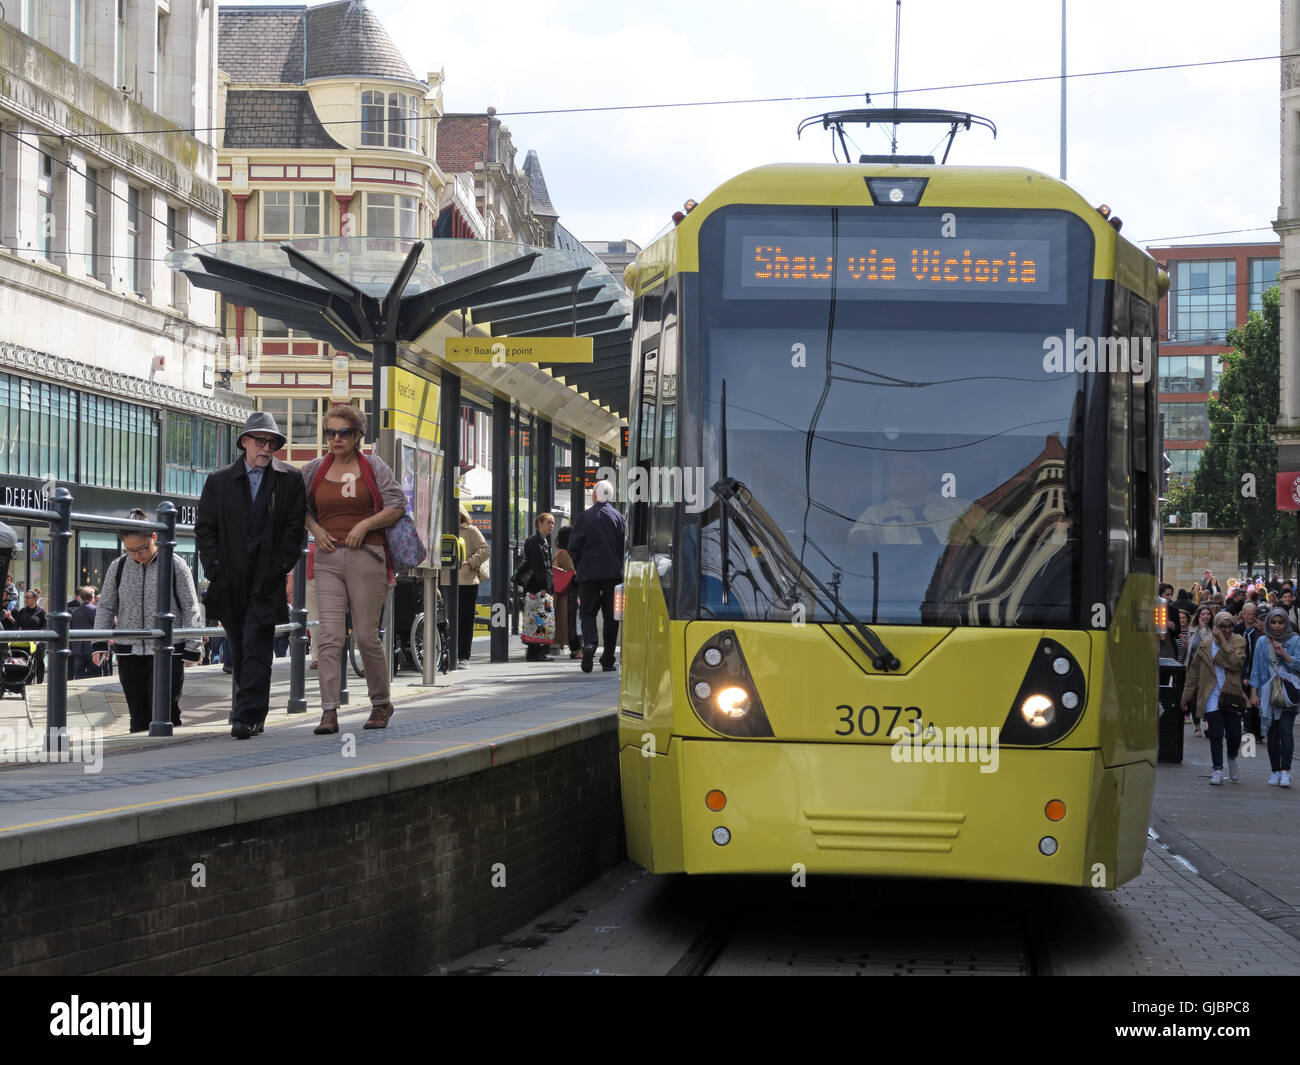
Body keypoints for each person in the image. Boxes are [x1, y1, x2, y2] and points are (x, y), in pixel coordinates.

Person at [196, 410, 306, 740]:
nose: (266, 447)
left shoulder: (289, 479)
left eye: (272, 442)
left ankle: (244, 716)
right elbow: (206, 529)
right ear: (244, 442)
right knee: (240, 648)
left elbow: (294, 530)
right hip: (229, 581)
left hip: (266, 581)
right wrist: (214, 567)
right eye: (260, 441)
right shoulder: (219, 481)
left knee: (257, 645)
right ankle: (252, 713)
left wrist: (278, 568)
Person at [301, 404, 405, 734]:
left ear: (357, 435)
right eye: (329, 433)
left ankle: (381, 702)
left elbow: (396, 505)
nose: (335, 438)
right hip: (328, 558)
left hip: (366, 554)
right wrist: (316, 531)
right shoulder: (314, 469)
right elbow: (300, 509)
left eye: (343, 433)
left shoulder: (373, 466)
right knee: (329, 636)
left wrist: (366, 525)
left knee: (364, 635)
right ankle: (329, 711)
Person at [94, 514, 202, 731]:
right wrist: (98, 643)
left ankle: (168, 753)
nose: (137, 555)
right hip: (128, 651)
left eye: (141, 549)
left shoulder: (175, 565)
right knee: (137, 713)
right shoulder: (118, 567)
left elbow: (191, 606)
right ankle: (139, 759)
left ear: (154, 537)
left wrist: (193, 646)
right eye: (130, 550)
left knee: (164, 709)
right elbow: (106, 605)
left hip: (167, 651)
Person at [1181, 610, 1247, 786]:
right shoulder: (1206, 645)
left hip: (1231, 693)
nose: (1226, 630)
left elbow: (1236, 663)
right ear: (1216, 627)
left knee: (1234, 735)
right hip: (1211, 694)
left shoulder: (1239, 641)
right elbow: (1193, 674)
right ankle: (1217, 769)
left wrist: (1224, 642)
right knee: (1216, 733)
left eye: (1229, 626)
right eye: (1222, 627)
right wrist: (1186, 697)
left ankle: (1232, 757)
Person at [568, 481, 626, 673]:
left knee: (587, 612)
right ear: (610, 497)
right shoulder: (619, 517)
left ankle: (590, 644)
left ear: (594, 496)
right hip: (614, 575)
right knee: (612, 616)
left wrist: (579, 565)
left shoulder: (584, 517)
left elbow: (573, 546)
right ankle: (608, 659)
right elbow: (625, 546)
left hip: (589, 574)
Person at [1250, 607, 1300, 788]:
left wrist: (1284, 655)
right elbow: (1255, 668)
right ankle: (1275, 771)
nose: (1277, 626)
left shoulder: (1295, 640)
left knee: (1286, 731)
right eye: (1273, 622)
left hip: (1289, 693)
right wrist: (1253, 693)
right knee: (1272, 733)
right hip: (1268, 693)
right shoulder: (1263, 642)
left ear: (1286, 623)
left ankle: (1286, 771)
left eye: (1280, 622)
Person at [440, 504, 489, 666]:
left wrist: (470, 561)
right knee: (445, 620)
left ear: (461, 515)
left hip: (467, 582)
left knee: (466, 620)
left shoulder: (470, 530)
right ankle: (445, 653)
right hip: (445, 582)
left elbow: (485, 550)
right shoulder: (440, 529)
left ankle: (463, 656)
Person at [520, 512, 556, 662]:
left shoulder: (543, 541)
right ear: (539, 523)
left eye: (553, 523)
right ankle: (533, 651)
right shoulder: (535, 542)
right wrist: (543, 586)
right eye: (549, 522)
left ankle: (538, 649)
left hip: (538, 587)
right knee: (536, 618)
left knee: (540, 618)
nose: (551, 526)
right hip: (535, 587)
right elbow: (539, 566)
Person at [1184, 604, 1215, 736]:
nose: (1205, 616)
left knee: (1207, 694)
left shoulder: (1212, 630)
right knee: (1193, 695)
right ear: (1198, 616)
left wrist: (1203, 629)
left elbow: (1209, 644)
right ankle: (1197, 726)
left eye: (1208, 614)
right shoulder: (1192, 629)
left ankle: (1207, 722)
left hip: (1207, 666)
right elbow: (1189, 648)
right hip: (1192, 665)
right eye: (1203, 614)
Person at [553, 525, 581, 659]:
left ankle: (576, 649)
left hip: (565, 592)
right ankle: (575, 650)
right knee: (570, 622)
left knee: (569, 621)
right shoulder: (564, 554)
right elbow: (572, 573)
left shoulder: (559, 552)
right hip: (569, 593)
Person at [68, 587, 98, 680]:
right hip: (92, 648)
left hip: (77, 648)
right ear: (92, 597)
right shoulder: (95, 610)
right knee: (94, 676)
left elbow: (71, 628)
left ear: (80, 597)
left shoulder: (74, 612)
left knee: (79, 676)